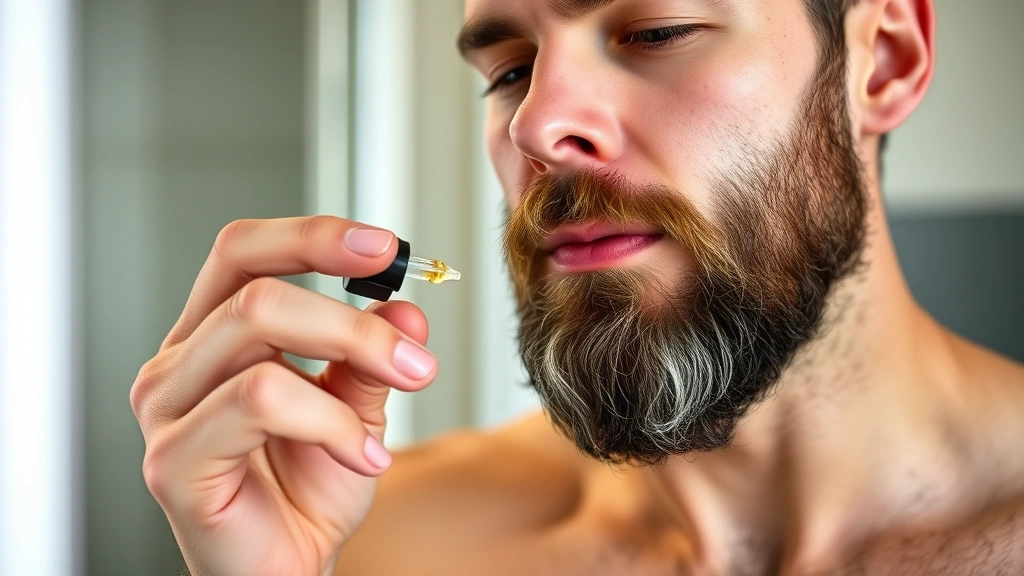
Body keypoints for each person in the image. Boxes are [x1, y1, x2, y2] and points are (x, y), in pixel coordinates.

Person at [130, 0, 1024, 573]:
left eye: (655, 32)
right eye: (510, 70)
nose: (537, 124)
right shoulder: (377, 544)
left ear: (882, 62)